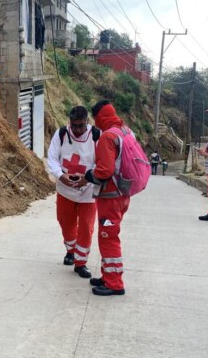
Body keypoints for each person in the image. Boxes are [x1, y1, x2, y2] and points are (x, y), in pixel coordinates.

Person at [84, 100, 132, 296]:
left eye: (96, 119)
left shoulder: (107, 137)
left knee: (108, 237)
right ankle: (107, 276)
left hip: (110, 196)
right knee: (108, 236)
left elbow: (105, 170)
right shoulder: (126, 132)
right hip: (123, 193)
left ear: (100, 117)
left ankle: (114, 283)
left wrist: (88, 175)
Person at [47, 106, 99, 279]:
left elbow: (102, 162)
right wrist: (61, 176)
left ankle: (80, 263)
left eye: (81, 126)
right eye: (74, 125)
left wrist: (88, 178)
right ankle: (71, 250)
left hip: (88, 192)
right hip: (65, 190)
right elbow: (53, 158)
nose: (77, 130)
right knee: (66, 223)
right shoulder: (61, 134)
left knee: (86, 227)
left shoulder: (97, 136)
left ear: (87, 122)